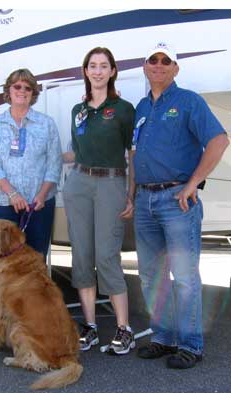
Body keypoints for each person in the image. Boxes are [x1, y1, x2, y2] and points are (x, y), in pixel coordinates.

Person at [130, 42, 229, 368]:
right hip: (145, 201)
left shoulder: (188, 101)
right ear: (145, 67)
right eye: (153, 60)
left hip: (177, 202)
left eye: (165, 60)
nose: (158, 65)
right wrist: (131, 195)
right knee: (150, 276)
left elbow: (219, 140)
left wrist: (192, 184)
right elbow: (135, 154)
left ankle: (190, 345)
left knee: (184, 276)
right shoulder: (142, 107)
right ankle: (162, 338)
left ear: (175, 68)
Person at [63, 47, 135, 355]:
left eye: (103, 66)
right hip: (78, 183)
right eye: (92, 65)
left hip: (111, 183)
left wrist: (131, 194)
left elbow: (134, 154)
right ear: (85, 71)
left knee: (106, 256)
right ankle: (90, 326)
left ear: (113, 71)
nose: (97, 71)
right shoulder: (78, 110)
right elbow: (78, 150)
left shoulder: (123, 109)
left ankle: (123, 328)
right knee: (81, 256)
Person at [0, 68, 62, 338]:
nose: (22, 92)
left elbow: (54, 164)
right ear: (9, 91)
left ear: (33, 93)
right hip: (4, 203)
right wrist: (12, 194)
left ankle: (32, 319)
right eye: (17, 87)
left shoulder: (46, 124)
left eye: (27, 88)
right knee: (1, 262)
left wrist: (41, 195)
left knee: (35, 263)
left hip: (39, 205)